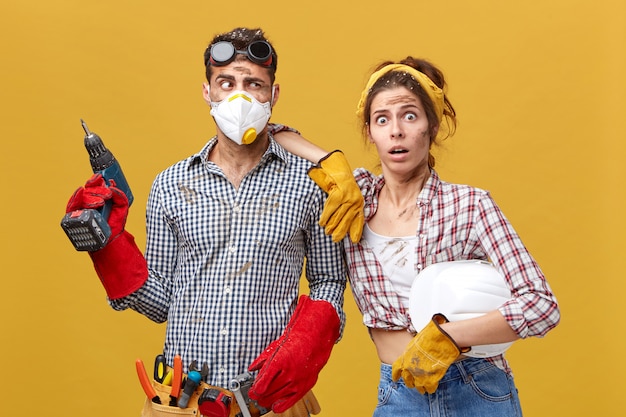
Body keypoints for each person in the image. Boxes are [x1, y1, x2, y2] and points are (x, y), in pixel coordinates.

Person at [64, 27, 348, 416]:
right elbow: (162, 303)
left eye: (254, 84)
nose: (240, 95)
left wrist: (310, 339)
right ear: (207, 91)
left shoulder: (310, 183)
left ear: (273, 94)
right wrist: (110, 250)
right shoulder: (171, 184)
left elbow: (329, 280)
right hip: (180, 402)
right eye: (226, 82)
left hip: (271, 403)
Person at [274, 56, 561, 416]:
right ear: (370, 132)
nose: (396, 131)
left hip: (475, 388)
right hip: (398, 394)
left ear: (431, 127)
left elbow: (541, 306)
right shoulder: (353, 198)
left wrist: (450, 336)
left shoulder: (469, 205)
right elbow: (272, 131)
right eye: (382, 119)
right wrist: (332, 160)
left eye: (410, 116)